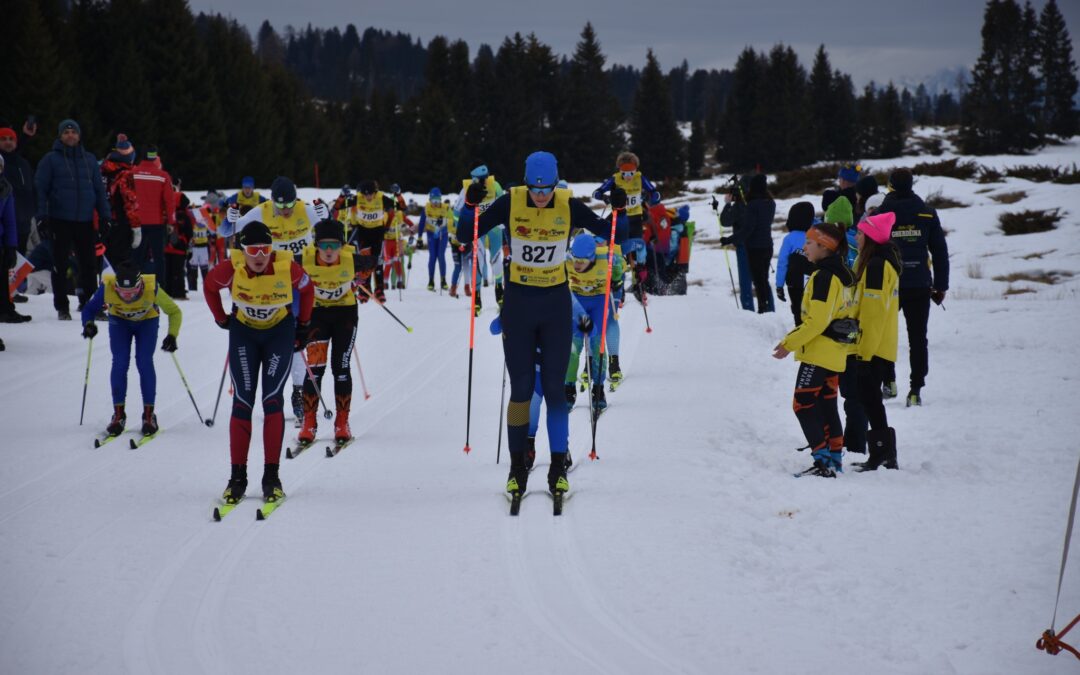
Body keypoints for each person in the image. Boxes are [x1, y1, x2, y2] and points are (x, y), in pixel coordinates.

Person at [456, 151, 623, 499]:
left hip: (555, 307)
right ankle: (519, 466)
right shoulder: (510, 201)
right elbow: (464, 232)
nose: (542, 195)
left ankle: (558, 466)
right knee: (521, 391)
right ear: (527, 182)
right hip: (519, 307)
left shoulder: (569, 204)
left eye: (546, 189)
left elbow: (613, 231)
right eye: (535, 188)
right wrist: (470, 206)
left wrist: (621, 207)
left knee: (554, 391)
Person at [203, 222, 314, 506]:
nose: (260, 255)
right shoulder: (231, 268)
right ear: (243, 250)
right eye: (253, 250)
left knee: (272, 401)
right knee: (242, 401)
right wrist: (220, 317)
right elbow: (209, 286)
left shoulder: (286, 267)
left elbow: (308, 288)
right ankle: (237, 478)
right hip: (244, 335)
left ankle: (271, 477)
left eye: (265, 249)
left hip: (279, 334)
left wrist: (303, 325)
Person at [223, 176, 329, 424]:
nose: (284, 211)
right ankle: (271, 392)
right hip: (271, 279)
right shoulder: (261, 212)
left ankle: (298, 390)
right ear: (272, 201)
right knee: (274, 333)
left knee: (299, 335)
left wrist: (328, 214)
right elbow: (226, 232)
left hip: (300, 280)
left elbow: (334, 232)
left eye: (289, 205)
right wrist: (229, 220)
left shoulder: (307, 211)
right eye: (280, 206)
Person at [772, 223, 857, 477]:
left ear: (824, 246)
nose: (804, 247)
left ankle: (822, 460)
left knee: (803, 404)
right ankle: (833, 459)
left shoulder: (824, 277)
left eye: (809, 243)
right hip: (835, 352)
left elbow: (817, 321)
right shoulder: (843, 272)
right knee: (826, 405)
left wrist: (789, 343)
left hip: (819, 353)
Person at [80, 260, 182, 438]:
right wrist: (88, 324)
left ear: (140, 285)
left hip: (147, 322)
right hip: (120, 323)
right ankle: (118, 415)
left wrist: (172, 335)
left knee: (144, 361)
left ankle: (149, 415)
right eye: (122, 293)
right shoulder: (108, 286)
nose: (127, 297)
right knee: (120, 362)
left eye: (132, 292)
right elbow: (88, 309)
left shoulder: (152, 288)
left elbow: (175, 312)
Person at [297, 219, 375, 445]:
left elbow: (372, 262)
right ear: (316, 245)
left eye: (334, 245)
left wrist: (358, 282)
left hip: (345, 316)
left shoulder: (354, 260)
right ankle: (309, 423)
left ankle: (342, 422)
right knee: (315, 369)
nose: (329, 251)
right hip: (317, 316)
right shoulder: (303, 259)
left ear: (342, 244)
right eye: (324, 245)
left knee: (340, 367)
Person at [879, 168, 948, 407]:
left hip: (889, 284)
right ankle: (916, 389)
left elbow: (871, 249)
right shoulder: (927, 213)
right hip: (919, 282)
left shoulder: (882, 212)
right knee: (918, 338)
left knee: (883, 334)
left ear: (891, 186)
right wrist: (941, 285)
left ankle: (888, 381)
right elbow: (939, 251)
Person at [35, 119, 113, 320]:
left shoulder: (89, 160)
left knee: (89, 265)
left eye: (74, 132)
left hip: (85, 220)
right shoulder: (50, 159)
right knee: (60, 264)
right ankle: (62, 307)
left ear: (79, 136)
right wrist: (42, 217)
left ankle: (91, 305)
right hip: (59, 219)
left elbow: (99, 191)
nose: (70, 135)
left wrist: (105, 216)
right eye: (66, 132)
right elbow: (40, 190)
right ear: (60, 136)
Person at [851, 212, 902, 471]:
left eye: (860, 233)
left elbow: (872, 314)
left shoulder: (876, 267)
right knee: (870, 399)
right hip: (882, 343)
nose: (856, 237)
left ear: (870, 236)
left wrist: (864, 354)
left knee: (869, 399)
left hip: (873, 346)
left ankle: (882, 454)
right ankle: (884, 454)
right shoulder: (882, 262)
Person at [565, 233, 624, 414]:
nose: (577, 265)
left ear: (592, 257)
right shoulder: (566, 260)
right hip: (577, 301)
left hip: (599, 301)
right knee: (573, 346)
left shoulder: (607, 257)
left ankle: (598, 390)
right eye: (575, 260)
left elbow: (619, 272)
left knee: (597, 343)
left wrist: (616, 282)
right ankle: (568, 389)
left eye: (582, 262)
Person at [592, 152, 660, 295]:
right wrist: (601, 195)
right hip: (619, 217)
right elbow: (598, 191)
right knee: (613, 244)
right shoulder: (615, 179)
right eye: (624, 173)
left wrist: (654, 196)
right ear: (619, 171)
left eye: (631, 173)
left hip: (635, 217)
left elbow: (653, 191)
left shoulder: (640, 178)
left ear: (636, 170)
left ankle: (640, 275)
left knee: (637, 245)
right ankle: (615, 278)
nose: (628, 177)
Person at [721, 173, 775, 313]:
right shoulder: (768, 202)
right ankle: (770, 310)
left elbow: (725, 221)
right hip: (766, 245)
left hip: (746, 246)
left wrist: (728, 204)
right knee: (763, 281)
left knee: (746, 282)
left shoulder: (744, 205)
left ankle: (749, 312)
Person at [132, 144, 176, 281]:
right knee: (158, 258)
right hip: (156, 223)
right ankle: (159, 290)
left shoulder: (132, 173)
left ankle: (132, 287)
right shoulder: (162, 176)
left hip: (136, 223)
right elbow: (170, 201)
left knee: (136, 256)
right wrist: (171, 222)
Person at [349, 180, 397, 303]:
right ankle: (365, 287)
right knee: (364, 258)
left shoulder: (380, 200)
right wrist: (354, 226)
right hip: (362, 233)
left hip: (377, 232)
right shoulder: (357, 202)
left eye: (369, 194)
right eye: (363, 195)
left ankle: (379, 289)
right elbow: (353, 216)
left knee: (377, 259)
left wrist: (386, 226)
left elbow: (391, 213)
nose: (367, 197)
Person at [98, 135, 143, 266]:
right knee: (122, 264)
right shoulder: (127, 174)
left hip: (103, 223)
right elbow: (131, 202)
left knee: (105, 264)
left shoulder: (102, 170)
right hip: (121, 224)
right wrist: (136, 227)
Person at [775, 201, 814, 327]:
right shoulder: (815, 236)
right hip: (811, 279)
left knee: (797, 309)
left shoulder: (789, 238)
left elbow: (782, 262)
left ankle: (799, 332)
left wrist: (779, 285)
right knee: (811, 308)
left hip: (794, 282)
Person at [0, 125, 36, 256]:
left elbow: (33, 188)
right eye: (3, 139)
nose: (8, 142)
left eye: (11, 139)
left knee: (18, 261)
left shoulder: (23, 163)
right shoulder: (1, 163)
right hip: (4, 223)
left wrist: (32, 211)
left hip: (23, 223)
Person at [419, 188, 451, 291]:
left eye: (438, 199)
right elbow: (421, 223)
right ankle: (431, 280)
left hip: (443, 234)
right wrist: (419, 237)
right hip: (431, 234)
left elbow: (453, 220)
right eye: (434, 200)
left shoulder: (445, 208)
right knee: (432, 256)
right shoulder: (426, 208)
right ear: (430, 199)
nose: (436, 202)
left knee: (441, 256)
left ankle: (443, 280)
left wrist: (445, 224)